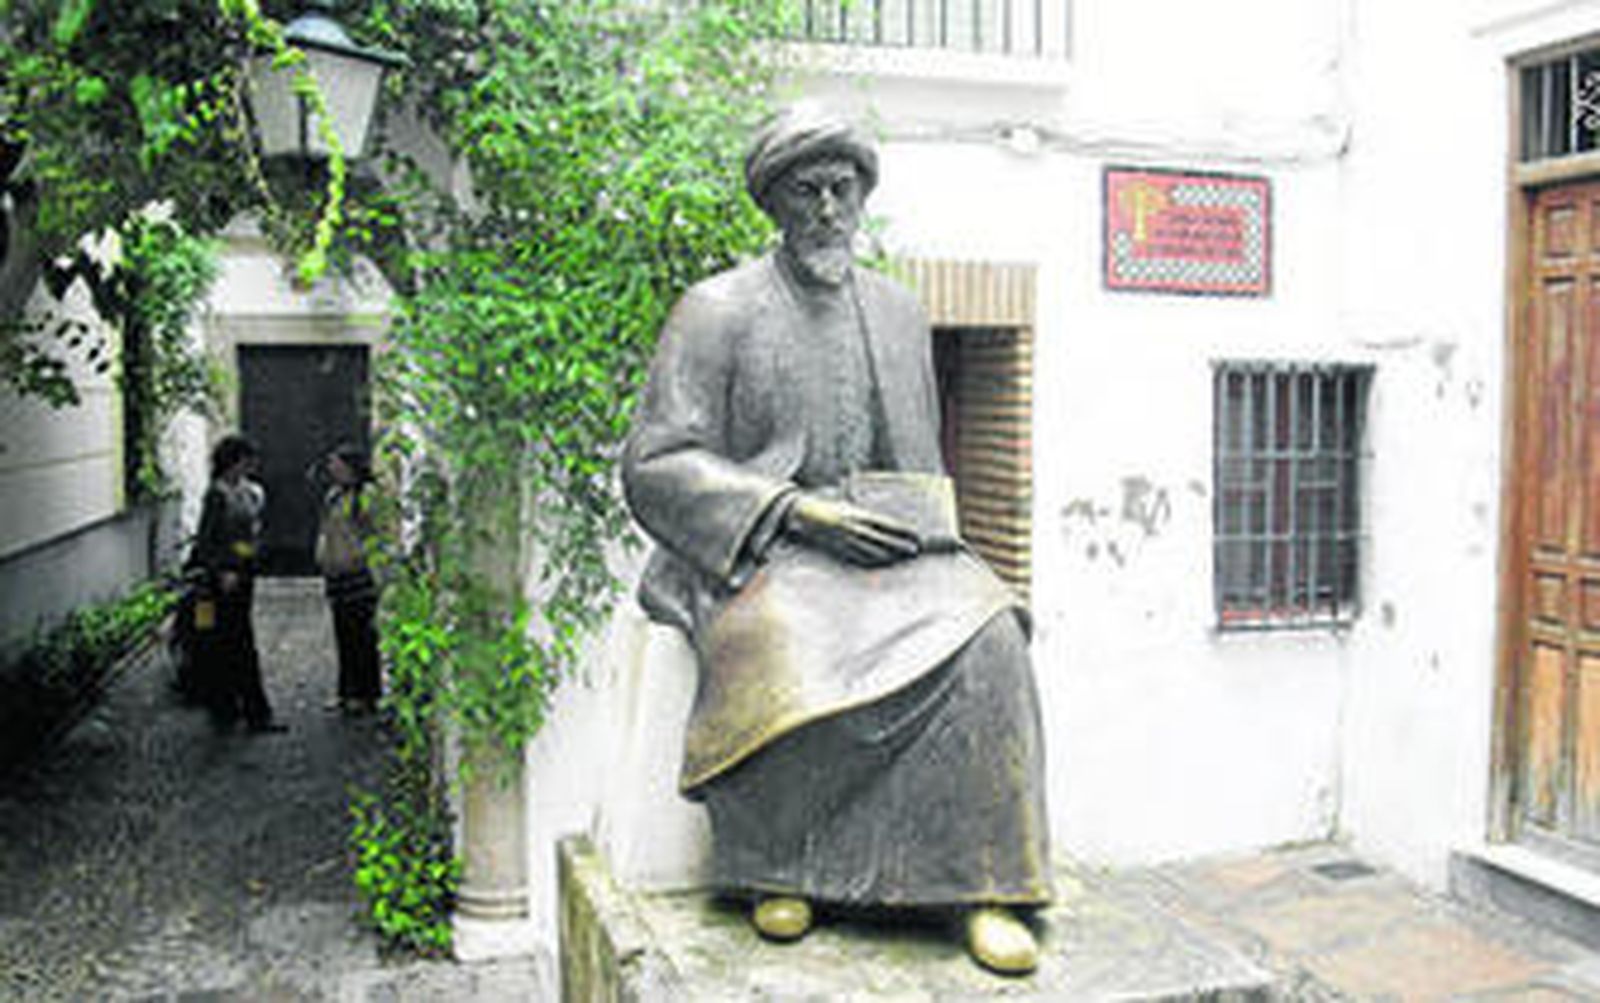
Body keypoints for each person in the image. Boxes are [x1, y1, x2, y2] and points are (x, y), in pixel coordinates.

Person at [622, 104, 1051, 975]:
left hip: (885, 546)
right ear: (775, 204)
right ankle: (781, 866)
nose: (827, 209)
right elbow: (655, 461)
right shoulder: (717, 309)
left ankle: (985, 883)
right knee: (783, 640)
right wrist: (795, 512)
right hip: (769, 544)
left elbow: (918, 460)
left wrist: (922, 531)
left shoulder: (895, 311)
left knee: (992, 636)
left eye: (842, 190)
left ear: (862, 198)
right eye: (807, 191)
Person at [188, 433, 283, 734]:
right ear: (234, 461)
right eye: (246, 459)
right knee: (225, 644)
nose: (251, 465)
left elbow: (247, 538)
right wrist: (221, 570)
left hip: (243, 576)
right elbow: (206, 542)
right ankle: (235, 711)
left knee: (239, 643)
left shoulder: (249, 491)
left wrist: (249, 556)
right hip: (220, 583)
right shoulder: (217, 494)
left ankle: (244, 711)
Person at [314, 442, 381, 716]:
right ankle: (346, 692)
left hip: (359, 575)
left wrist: (365, 559)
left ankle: (366, 695)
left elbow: (376, 532)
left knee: (362, 637)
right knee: (343, 635)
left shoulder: (367, 496)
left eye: (337, 464)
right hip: (336, 574)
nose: (332, 469)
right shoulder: (333, 496)